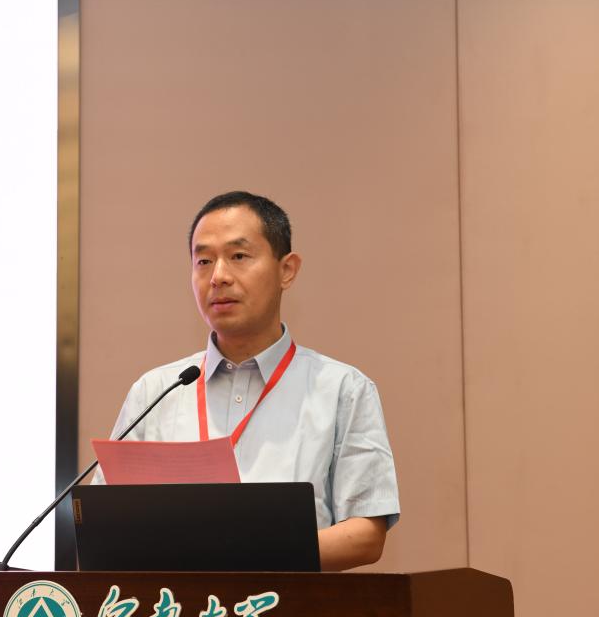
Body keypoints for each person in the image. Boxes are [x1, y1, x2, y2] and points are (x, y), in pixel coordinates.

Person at [99, 191, 400, 571]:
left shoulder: (343, 389)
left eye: (238, 256)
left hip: (290, 606)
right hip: (179, 606)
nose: (218, 277)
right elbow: (105, 524)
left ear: (286, 270)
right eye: (203, 261)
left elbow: (366, 534)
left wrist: (239, 549)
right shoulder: (156, 392)